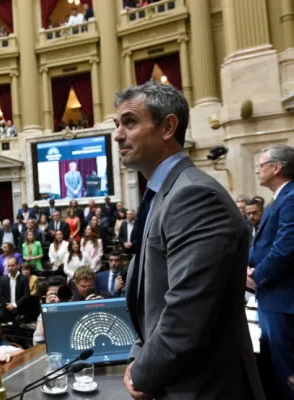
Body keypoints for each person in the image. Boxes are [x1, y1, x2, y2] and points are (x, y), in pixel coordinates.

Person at [114, 81, 263, 398]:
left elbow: (185, 315)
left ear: (168, 126)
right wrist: (138, 355)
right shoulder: (161, 193)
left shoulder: (193, 195)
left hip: (202, 387)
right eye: (117, 124)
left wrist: (141, 372)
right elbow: (150, 298)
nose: (117, 134)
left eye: (129, 122)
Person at [248, 144, 294, 399]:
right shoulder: (280, 198)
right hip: (273, 297)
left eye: (261, 165)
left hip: (283, 299)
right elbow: (263, 244)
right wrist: (248, 266)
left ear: (277, 167)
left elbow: (286, 247)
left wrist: (257, 276)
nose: (257, 171)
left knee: (285, 370)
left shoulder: (291, 197)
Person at [0, 257, 30, 322]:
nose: (10, 268)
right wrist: (7, 305)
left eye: (12, 265)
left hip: (20, 309)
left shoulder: (24, 279)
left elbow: (26, 295)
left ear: (17, 266)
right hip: (7, 309)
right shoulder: (3, 279)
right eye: (9, 266)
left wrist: (14, 305)